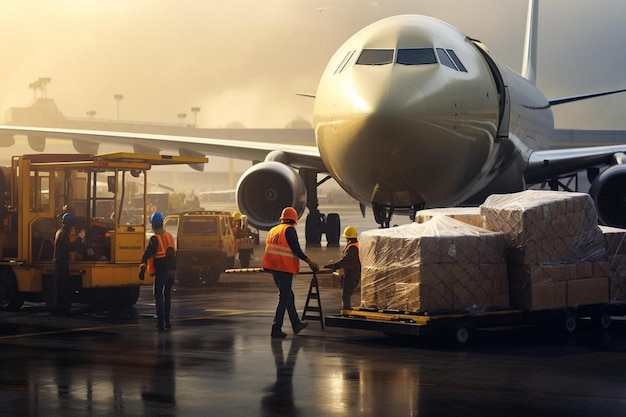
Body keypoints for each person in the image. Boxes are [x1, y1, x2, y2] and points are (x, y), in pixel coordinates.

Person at [262, 207, 319, 338]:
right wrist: (309, 261)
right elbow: (296, 249)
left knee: (288, 296)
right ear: (293, 220)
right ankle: (276, 328)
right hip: (283, 267)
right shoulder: (289, 230)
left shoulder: (274, 230)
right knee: (284, 298)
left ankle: (296, 323)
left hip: (273, 267)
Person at [140, 211, 177, 331]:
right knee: (167, 295)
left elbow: (147, 253)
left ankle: (160, 321)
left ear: (153, 225)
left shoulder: (154, 239)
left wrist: (142, 265)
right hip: (171, 270)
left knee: (158, 295)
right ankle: (167, 321)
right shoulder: (170, 236)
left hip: (161, 271)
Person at [325, 226, 361, 310]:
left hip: (352, 275)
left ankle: (346, 311)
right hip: (353, 273)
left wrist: (334, 266)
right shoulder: (355, 245)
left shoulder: (352, 248)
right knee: (346, 294)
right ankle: (347, 310)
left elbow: (346, 261)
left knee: (346, 295)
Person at [52, 212, 76, 316]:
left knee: (59, 285)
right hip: (61, 261)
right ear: (70, 224)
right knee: (65, 285)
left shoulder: (59, 231)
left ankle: (59, 307)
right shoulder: (64, 233)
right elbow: (69, 246)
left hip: (57, 261)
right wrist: (79, 240)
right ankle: (65, 308)